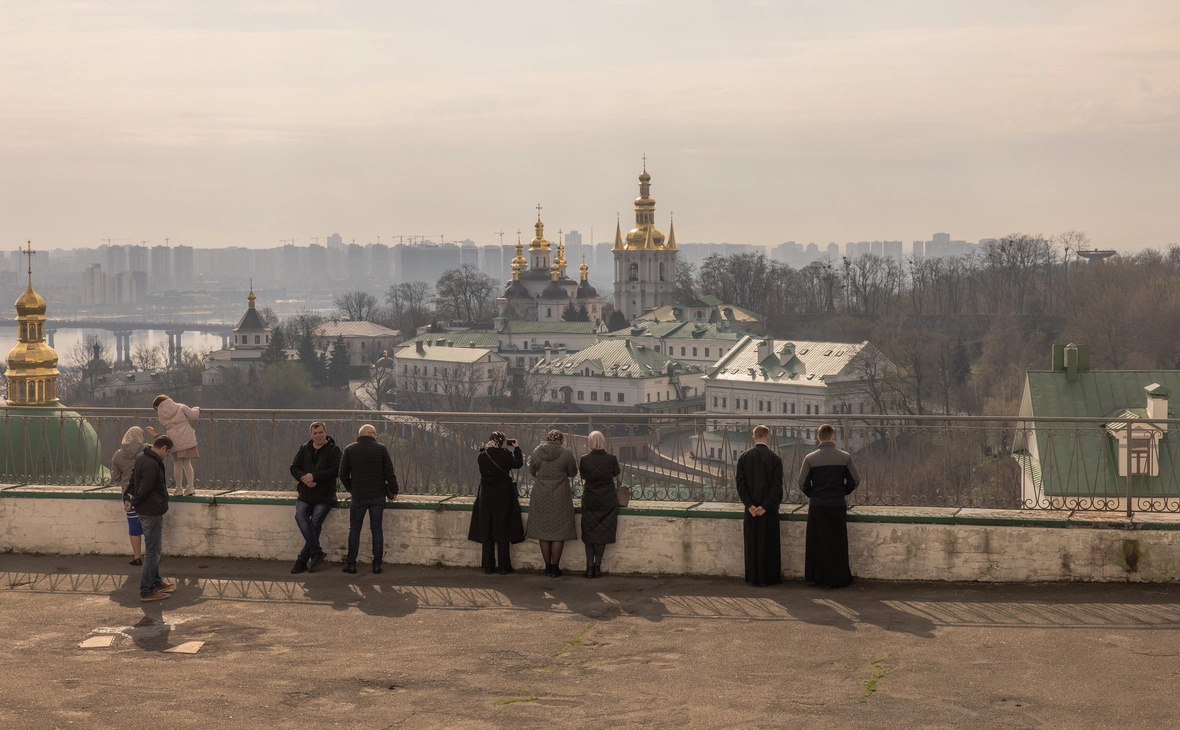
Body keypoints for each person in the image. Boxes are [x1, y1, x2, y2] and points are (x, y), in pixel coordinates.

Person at [797, 423, 861, 589]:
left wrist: (814, 494)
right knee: (837, 541)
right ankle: (838, 578)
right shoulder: (844, 457)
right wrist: (842, 492)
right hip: (837, 503)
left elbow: (802, 482)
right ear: (833, 436)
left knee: (817, 541)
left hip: (817, 504)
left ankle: (817, 577)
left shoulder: (810, 458)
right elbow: (856, 480)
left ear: (819, 438)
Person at [338, 424, 398, 575]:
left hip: (358, 496)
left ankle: (351, 564)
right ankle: (377, 565)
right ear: (371, 434)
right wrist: (393, 491)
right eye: (375, 434)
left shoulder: (349, 449)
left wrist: (352, 488)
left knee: (354, 530)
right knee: (376, 529)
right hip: (377, 496)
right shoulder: (381, 449)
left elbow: (343, 474)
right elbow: (389, 472)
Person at [123, 435, 175, 602]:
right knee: (153, 551)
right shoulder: (153, 464)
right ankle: (147, 590)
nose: (167, 456)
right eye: (168, 452)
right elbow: (145, 488)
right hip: (151, 510)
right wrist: (134, 500)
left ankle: (156, 582)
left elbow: (133, 480)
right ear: (164, 449)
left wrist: (128, 498)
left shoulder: (142, 456)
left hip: (145, 509)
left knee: (154, 549)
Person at [467, 431, 525, 575]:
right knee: (502, 529)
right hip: (503, 495)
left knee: (488, 529)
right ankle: (504, 566)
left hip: (486, 495)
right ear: (501, 441)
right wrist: (516, 448)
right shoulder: (504, 455)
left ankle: (488, 566)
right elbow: (518, 463)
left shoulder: (482, 455)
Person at [289, 421, 342, 575]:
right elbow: (294, 467)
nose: (318, 436)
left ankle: (302, 559)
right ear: (311, 434)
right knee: (300, 517)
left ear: (326, 432)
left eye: (320, 432)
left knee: (315, 523)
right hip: (305, 494)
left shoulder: (334, 450)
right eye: (315, 433)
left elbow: (335, 470)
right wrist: (304, 478)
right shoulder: (304, 448)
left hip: (324, 495)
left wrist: (315, 477)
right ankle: (316, 551)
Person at [735, 424, 784, 587]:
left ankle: (753, 577)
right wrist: (764, 506)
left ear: (753, 436)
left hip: (750, 510)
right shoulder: (775, 459)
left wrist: (749, 505)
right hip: (769, 510)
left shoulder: (744, 457)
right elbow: (776, 486)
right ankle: (769, 577)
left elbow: (740, 483)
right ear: (768, 437)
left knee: (752, 543)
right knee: (769, 544)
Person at [526, 429, 578, 577]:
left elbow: (532, 472)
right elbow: (573, 473)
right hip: (560, 494)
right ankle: (555, 567)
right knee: (558, 533)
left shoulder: (537, 452)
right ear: (561, 440)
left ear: (547, 439)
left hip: (540, 494)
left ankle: (547, 566)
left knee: (544, 532)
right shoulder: (566, 453)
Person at [578, 430, 621, 579]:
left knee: (589, 534)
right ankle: (598, 567)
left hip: (590, 497)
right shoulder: (611, 458)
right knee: (602, 533)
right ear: (603, 442)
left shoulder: (584, 459)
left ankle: (589, 569)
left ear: (589, 443)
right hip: (607, 498)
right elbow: (616, 473)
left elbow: (583, 476)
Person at [146, 394, 200, 496]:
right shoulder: (180, 406)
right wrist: (197, 408)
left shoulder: (161, 415)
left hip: (174, 439)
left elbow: (163, 423)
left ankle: (179, 488)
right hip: (186, 437)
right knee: (187, 464)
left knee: (177, 464)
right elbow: (193, 415)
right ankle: (191, 487)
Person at [110, 426, 147, 566]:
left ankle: (137, 557)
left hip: (128, 495)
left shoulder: (118, 454)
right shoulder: (145, 450)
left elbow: (116, 477)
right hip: (145, 492)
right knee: (150, 525)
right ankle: (152, 555)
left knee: (134, 526)